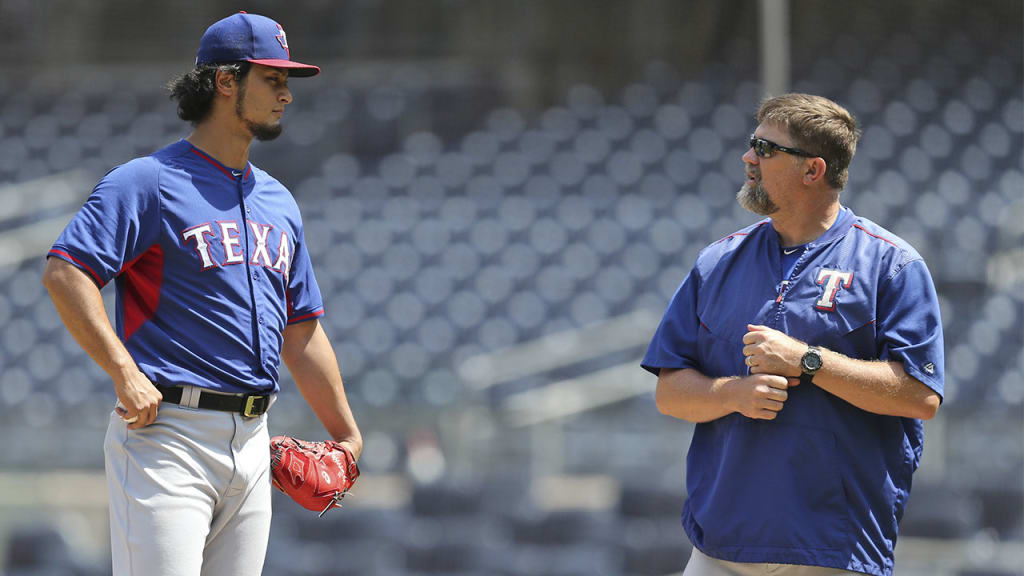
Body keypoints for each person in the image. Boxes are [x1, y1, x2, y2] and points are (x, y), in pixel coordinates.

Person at [42, 12, 362, 576]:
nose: (287, 94)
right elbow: (66, 273)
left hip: (255, 440)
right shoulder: (148, 181)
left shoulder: (280, 202)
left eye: (288, 81)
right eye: (273, 79)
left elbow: (301, 327)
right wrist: (122, 370)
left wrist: (346, 434)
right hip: (168, 438)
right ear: (224, 81)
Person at [642, 93, 944, 576]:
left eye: (765, 148)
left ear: (813, 170)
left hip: (832, 548)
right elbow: (669, 392)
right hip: (720, 545)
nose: (748, 158)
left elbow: (919, 396)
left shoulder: (892, 264)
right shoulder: (717, 262)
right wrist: (735, 393)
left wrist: (809, 361)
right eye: (752, 143)